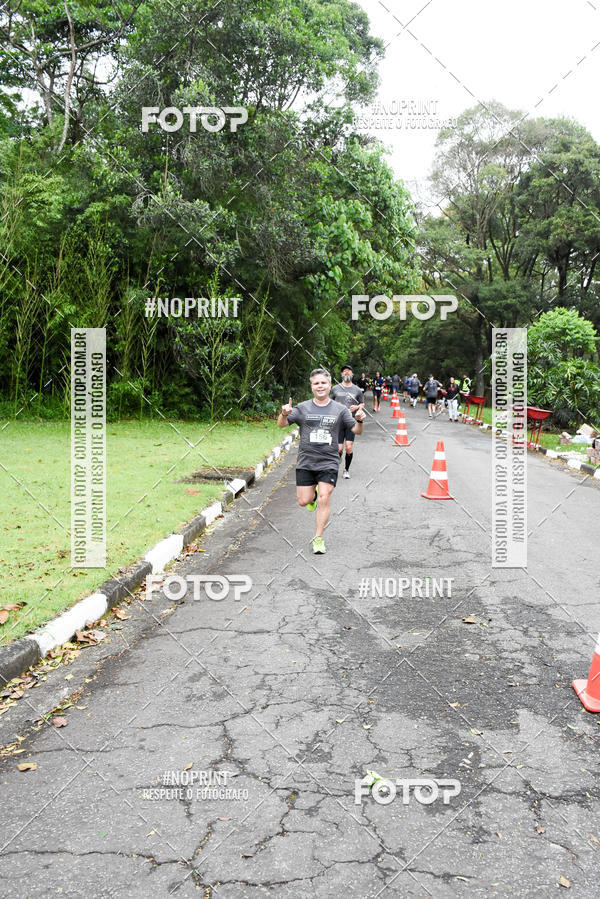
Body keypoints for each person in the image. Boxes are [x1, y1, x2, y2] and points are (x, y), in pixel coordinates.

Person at [278, 369, 365, 554]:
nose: (320, 386)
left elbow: (356, 431)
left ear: (329, 385)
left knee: (326, 497)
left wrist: (360, 421)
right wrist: (284, 414)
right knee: (304, 501)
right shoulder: (302, 407)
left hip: (329, 461)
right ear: (311, 386)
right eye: (316, 383)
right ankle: (313, 496)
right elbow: (282, 424)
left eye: (323, 383)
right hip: (306, 461)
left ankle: (318, 538)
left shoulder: (340, 409)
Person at [331, 364, 365, 479]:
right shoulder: (335, 388)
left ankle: (346, 470)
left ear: (352, 374)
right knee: (339, 448)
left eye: (349, 371)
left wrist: (356, 408)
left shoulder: (357, 390)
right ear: (341, 374)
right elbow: (328, 402)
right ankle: (336, 463)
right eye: (344, 371)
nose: (346, 373)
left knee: (349, 447)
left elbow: (362, 403)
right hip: (338, 422)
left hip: (351, 422)